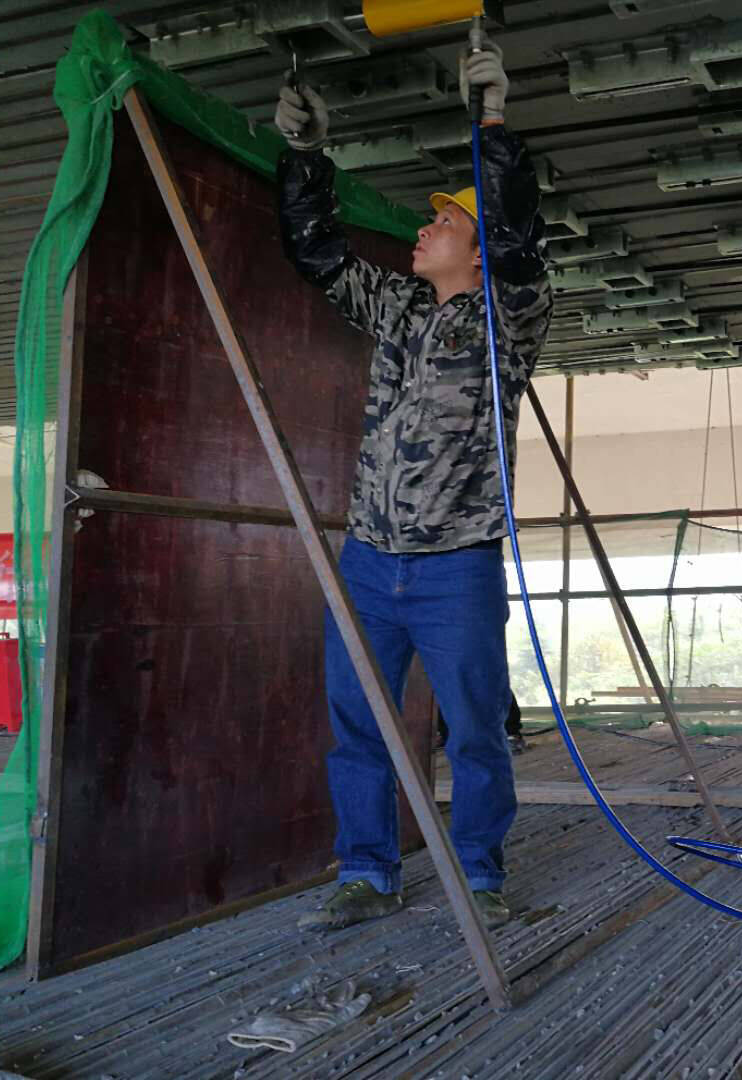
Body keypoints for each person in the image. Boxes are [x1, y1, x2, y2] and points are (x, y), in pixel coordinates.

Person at [273, 43, 551, 931]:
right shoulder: (396, 308)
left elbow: (515, 234)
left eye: (443, 223)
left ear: (476, 248)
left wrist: (493, 123)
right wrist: (306, 157)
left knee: (473, 729)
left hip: (454, 567)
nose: (423, 229)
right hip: (369, 561)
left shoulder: (510, 316)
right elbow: (316, 253)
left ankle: (479, 873)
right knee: (359, 724)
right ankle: (367, 871)